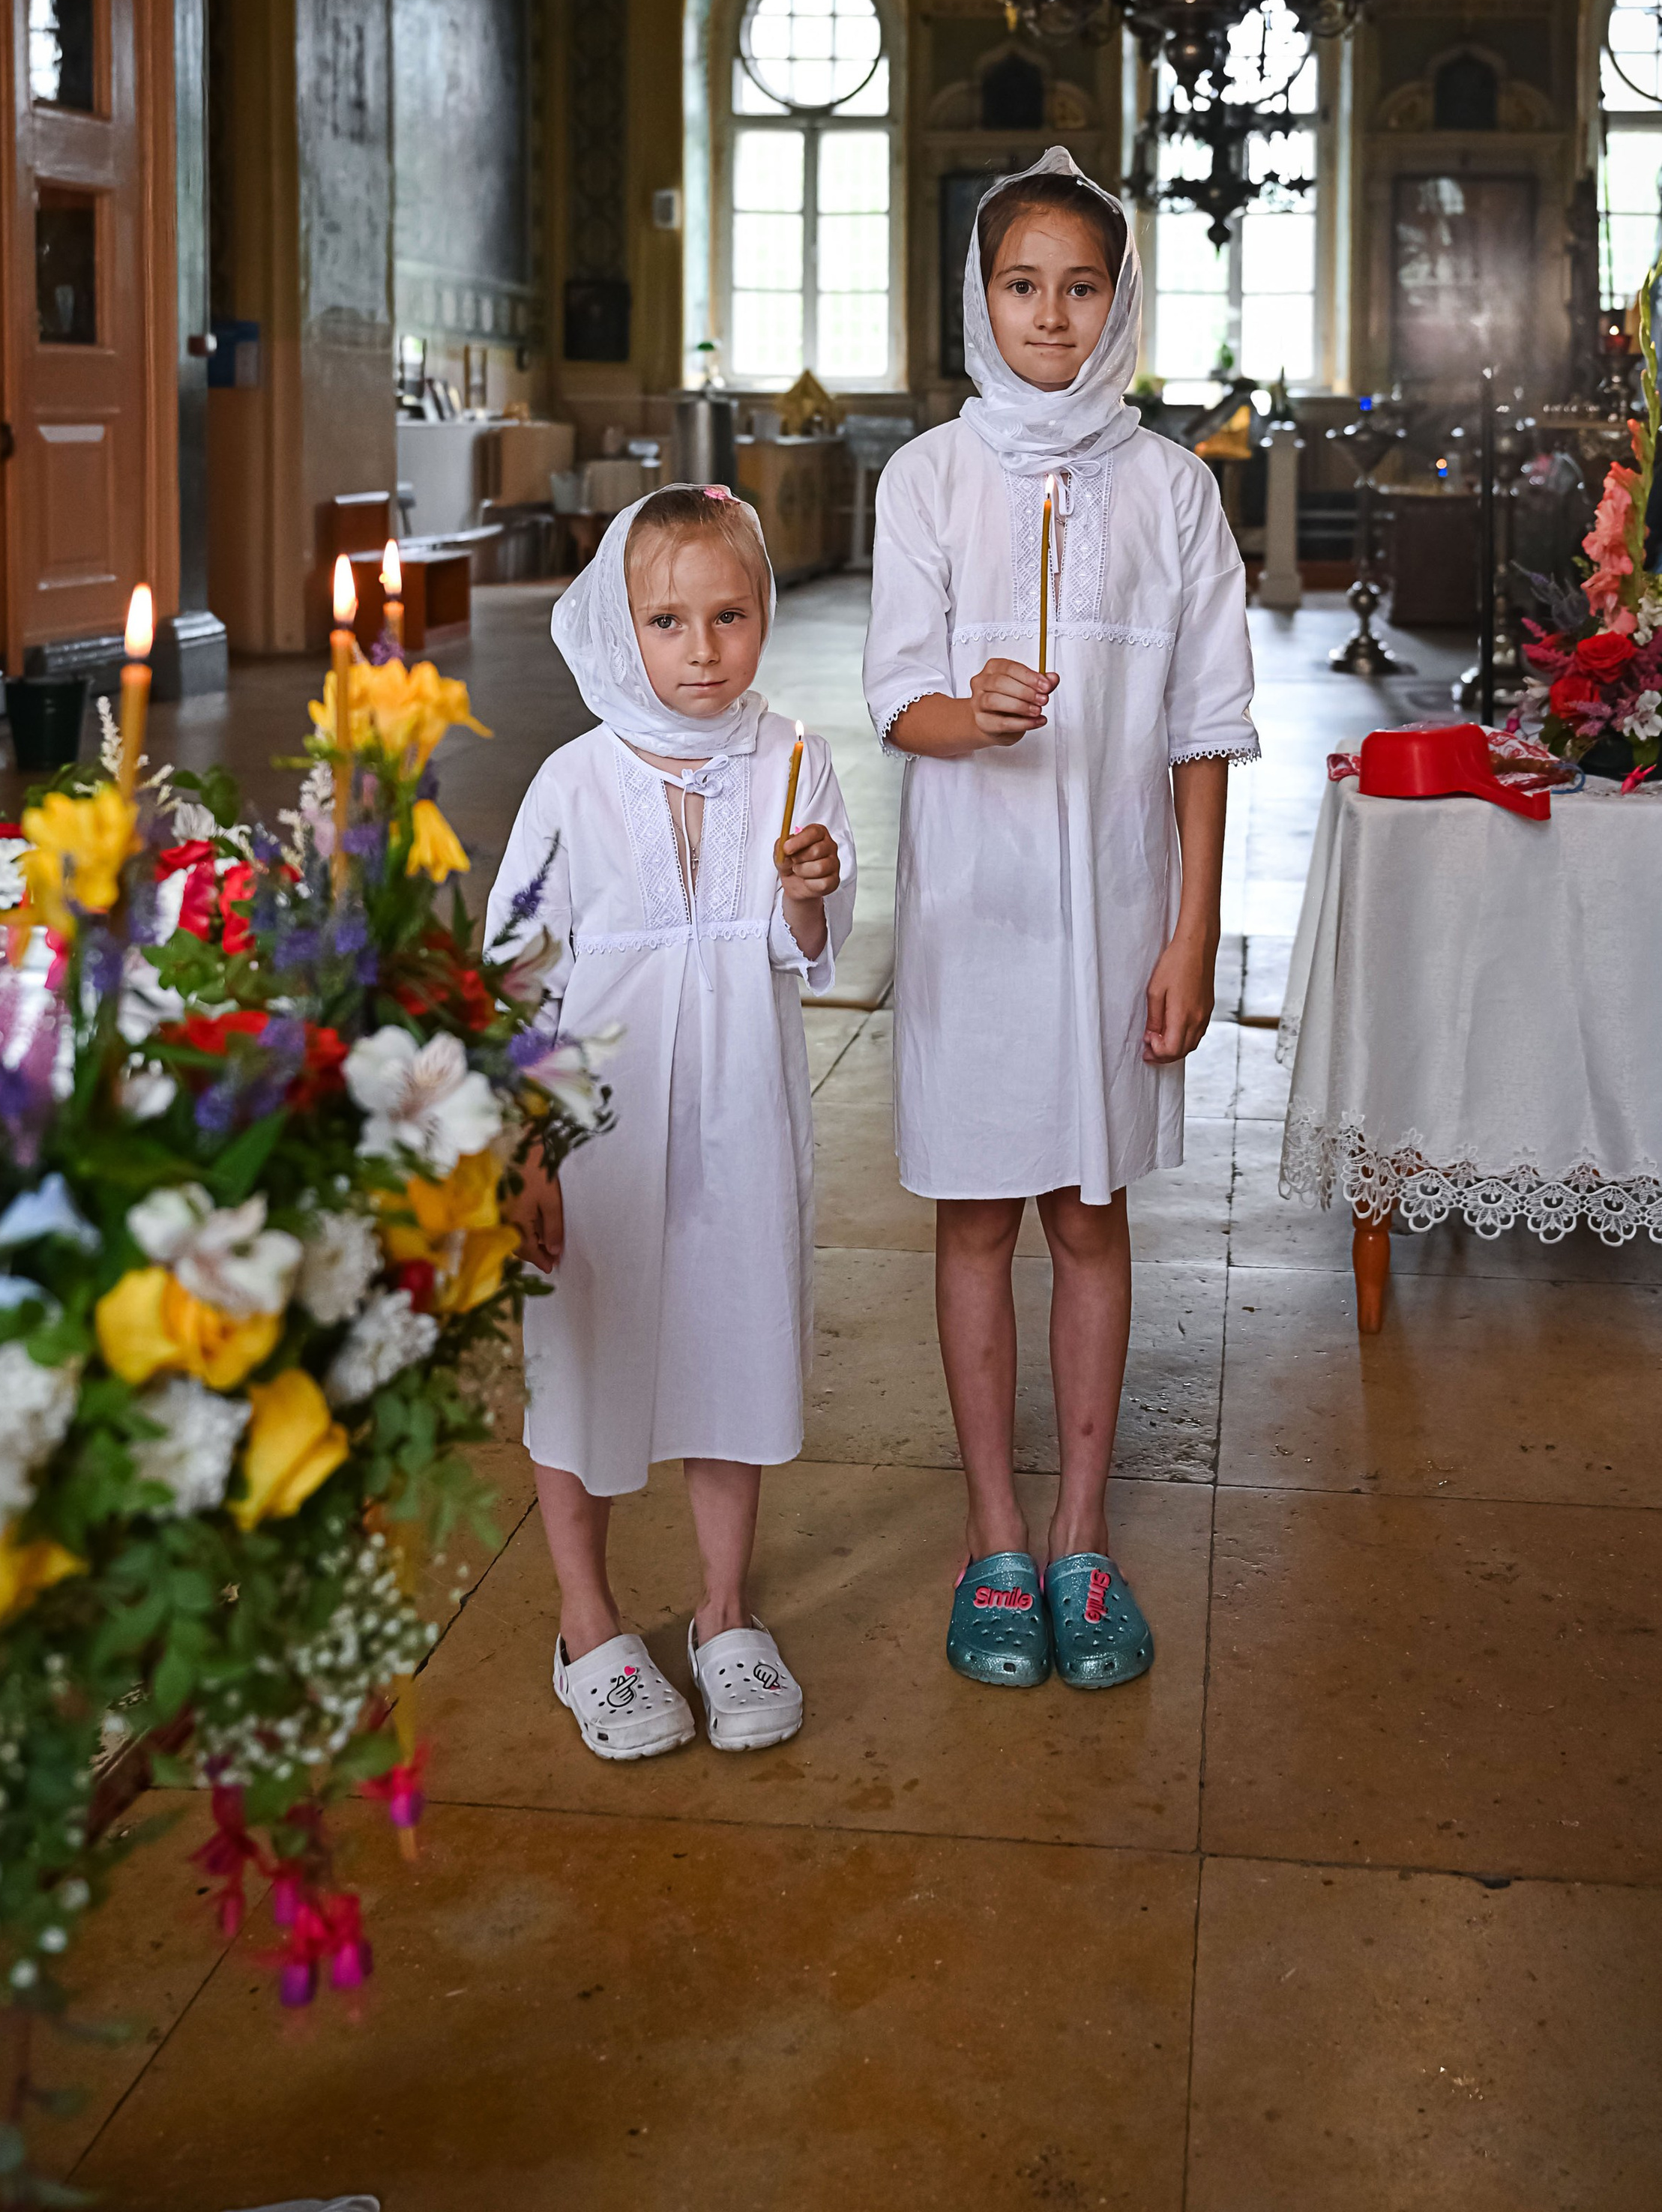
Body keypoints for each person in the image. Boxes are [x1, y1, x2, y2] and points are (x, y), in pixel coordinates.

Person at [864, 148, 1256, 1694]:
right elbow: (899, 698)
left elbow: (1204, 729)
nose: (1048, 313)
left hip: (1114, 911)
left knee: (1089, 1216)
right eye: (1020, 285)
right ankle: (993, 1540)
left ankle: (1082, 1537)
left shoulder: (1170, 490)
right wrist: (971, 712)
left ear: (1118, 301)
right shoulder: (928, 478)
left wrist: (1191, 932)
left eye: (1078, 286)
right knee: (974, 1218)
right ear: (980, 296)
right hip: (975, 911)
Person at [487, 485, 855, 1761]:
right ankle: (588, 1623)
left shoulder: (793, 762)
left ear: (764, 616)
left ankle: (722, 1609)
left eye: (730, 616)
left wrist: (808, 894)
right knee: (582, 1360)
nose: (703, 650)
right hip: (598, 1133)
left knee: (731, 1343)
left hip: (740, 1123)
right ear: (617, 626)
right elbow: (516, 974)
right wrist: (523, 1150)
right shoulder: (574, 783)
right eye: (668, 619)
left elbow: (804, 948)